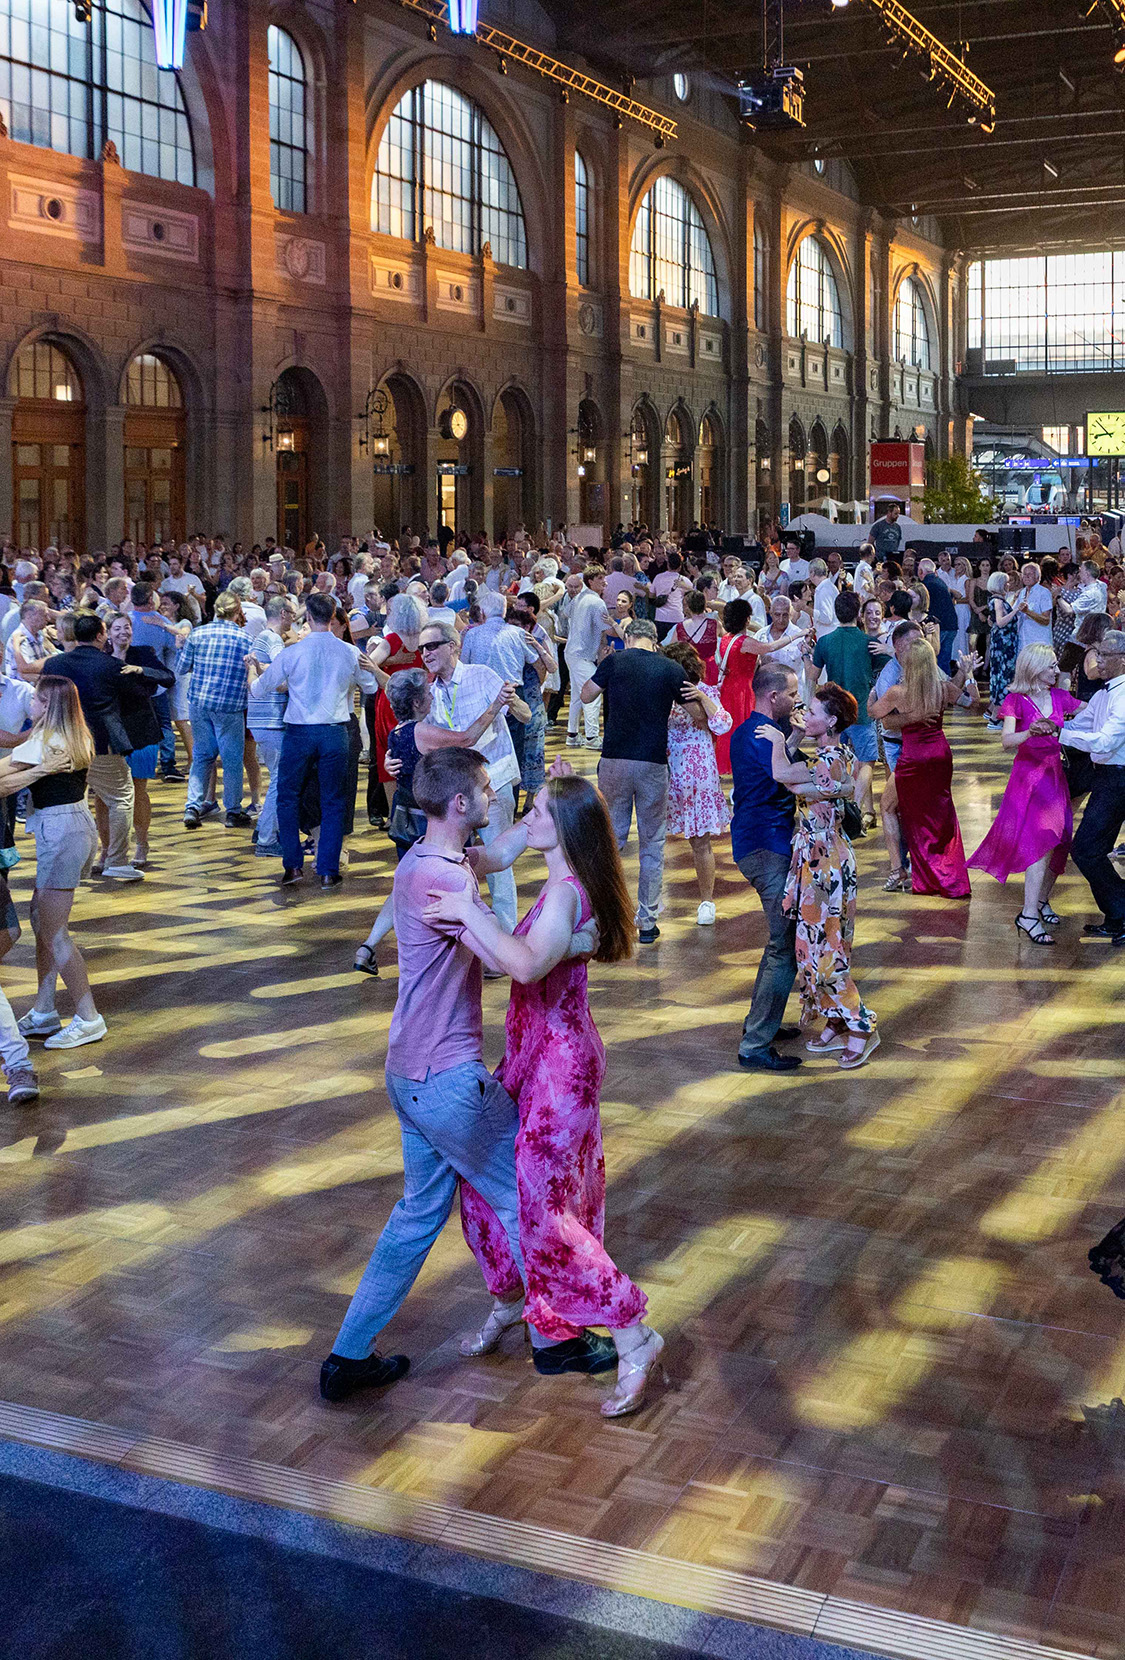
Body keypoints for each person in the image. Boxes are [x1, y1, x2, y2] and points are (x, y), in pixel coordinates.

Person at [424, 768, 665, 1418]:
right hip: (534, 1060)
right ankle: (515, 1297)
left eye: (533, 812)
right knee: (483, 1186)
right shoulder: (564, 872)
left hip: (561, 1071)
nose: (522, 820)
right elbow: (496, 851)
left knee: (547, 1210)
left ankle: (631, 1332)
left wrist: (470, 911)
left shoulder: (563, 894)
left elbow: (524, 964)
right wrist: (476, 831)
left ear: (558, 830)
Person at [352, 667, 512, 975]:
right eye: (426, 694)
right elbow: (465, 738)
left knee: (407, 886)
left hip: (404, 818)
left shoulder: (398, 733)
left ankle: (369, 945)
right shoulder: (419, 731)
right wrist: (494, 706)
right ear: (415, 703)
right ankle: (475, 953)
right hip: (428, 822)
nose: (431, 697)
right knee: (449, 885)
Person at [779, 682, 878, 1069]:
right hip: (817, 858)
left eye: (813, 713)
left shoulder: (830, 758)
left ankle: (861, 1025)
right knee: (816, 943)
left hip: (827, 862)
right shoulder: (828, 755)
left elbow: (781, 774)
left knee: (827, 948)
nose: (806, 716)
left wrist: (781, 738)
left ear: (831, 721)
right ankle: (836, 1021)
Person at [247, 591, 374, 888]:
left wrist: (251, 669)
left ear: (307, 617)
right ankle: (328, 869)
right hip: (335, 730)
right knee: (334, 801)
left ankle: (292, 867)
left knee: (288, 798)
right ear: (333, 618)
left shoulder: (293, 652)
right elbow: (369, 686)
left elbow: (259, 689)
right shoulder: (348, 652)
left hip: (299, 731)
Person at [8, 677, 106, 1050]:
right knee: (41, 920)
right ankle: (45, 1008)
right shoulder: (74, 736)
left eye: (35, 698)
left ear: (47, 705)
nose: (30, 702)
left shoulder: (45, 743)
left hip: (62, 832)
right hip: (72, 827)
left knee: (53, 931)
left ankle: (88, 1017)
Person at [579, 619, 690, 945]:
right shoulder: (670, 668)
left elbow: (586, 696)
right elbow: (695, 710)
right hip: (653, 763)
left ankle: (602, 917)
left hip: (614, 759)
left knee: (611, 841)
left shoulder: (615, 661)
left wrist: (602, 667)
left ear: (628, 638)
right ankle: (647, 922)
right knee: (652, 844)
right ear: (654, 641)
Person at [968, 643, 1083, 943]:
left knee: (1061, 841)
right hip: (1028, 780)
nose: (1056, 671)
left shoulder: (1060, 697)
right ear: (1034, 667)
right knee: (1041, 840)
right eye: (1051, 666)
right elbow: (1007, 742)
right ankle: (1029, 914)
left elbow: (1092, 711)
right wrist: (1030, 732)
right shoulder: (1016, 700)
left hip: (1054, 777)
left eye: (1056, 665)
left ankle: (1041, 901)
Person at [420, 621, 528, 933]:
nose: (425, 653)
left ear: (452, 646)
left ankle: (505, 935)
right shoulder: (431, 692)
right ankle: (465, 933)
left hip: (492, 781)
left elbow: (525, 714)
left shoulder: (481, 675)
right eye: (422, 648)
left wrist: (513, 700)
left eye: (432, 646)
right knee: (453, 860)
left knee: (496, 860)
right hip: (456, 792)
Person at [731, 662, 810, 1073]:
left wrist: (794, 736)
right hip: (766, 848)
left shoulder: (754, 732)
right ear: (774, 696)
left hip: (757, 843)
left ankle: (762, 1021)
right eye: (793, 692)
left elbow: (776, 766)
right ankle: (755, 1045)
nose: (798, 699)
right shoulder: (766, 735)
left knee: (779, 943)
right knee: (784, 947)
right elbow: (790, 775)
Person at [40, 609, 156, 882]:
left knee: (73, 803)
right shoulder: (109, 665)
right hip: (100, 744)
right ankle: (116, 860)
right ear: (102, 634)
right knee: (122, 798)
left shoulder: (54, 665)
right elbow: (139, 696)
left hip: (60, 743)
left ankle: (77, 863)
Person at [868, 638, 977, 898]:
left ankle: (907, 873)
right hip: (940, 755)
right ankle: (949, 875)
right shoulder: (942, 688)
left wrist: (873, 696)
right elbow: (970, 702)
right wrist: (968, 674)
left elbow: (874, 713)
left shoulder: (897, 692)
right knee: (942, 815)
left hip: (913, 757)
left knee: (901, 812)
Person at [1059, 630, 1125, 945]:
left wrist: (1058, 735)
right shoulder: (1103, 694)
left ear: (1122, 660)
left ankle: (1120, 911)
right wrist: (1050, 724)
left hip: (1118, 779)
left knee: (1086, 849)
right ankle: (1116, 916)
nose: (1097, 660)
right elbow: (1080, 727)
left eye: (1104, 655)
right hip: (1107, 777)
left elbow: (1106, 741)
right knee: (1091, 849)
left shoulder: (1123, 696)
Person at [661, 639, 731, 925]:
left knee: (700, 842)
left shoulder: (706, 691)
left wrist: (702, 698)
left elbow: (723, 723)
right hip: (669, 770)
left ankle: (707, 902)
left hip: (699, 773)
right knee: (658, 839)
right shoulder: (663, 693)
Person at [104, 611, 175, 870]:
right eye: (117, 629)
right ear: (107, 633)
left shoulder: (143, 652)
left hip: (141, 729)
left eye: (126, 628)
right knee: (105, 794)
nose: (123, 633)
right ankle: (108, 848)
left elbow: (168, 677)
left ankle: (142, 842)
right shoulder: (101, 658)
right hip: (110, 732)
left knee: (138, 789)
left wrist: (141, 670)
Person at [177, 591, 253, 830]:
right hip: (230, 705)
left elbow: (181, 668)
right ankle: (233, 811)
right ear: (237, 611)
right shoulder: (245, 639)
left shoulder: (198, 634)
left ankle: (193, 806)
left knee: (202, 755)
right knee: (231, 760)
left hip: (199, 702)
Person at [811, 591, 877, 823]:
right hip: (862, 712)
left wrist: (804, 657)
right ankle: (856, 811)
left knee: (838, 760)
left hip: (834, 715)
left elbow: (813, 675)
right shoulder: (869, 642)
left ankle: (847, 809)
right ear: (858, 613)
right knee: (867, 761)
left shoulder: (824, 641)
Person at [366, 592, 427, 831]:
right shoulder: (424, 638)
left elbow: (368, 663)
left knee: (387, 756)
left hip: (390, 701)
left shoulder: (391, 639)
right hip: (417, 703)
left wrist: (391, 661)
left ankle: (395, 816)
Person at [714, 598, 788, 775]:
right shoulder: (745, 642)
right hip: (743, 690)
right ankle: (742, 764)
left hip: (727, 688)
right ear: (746, 619)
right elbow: (769, 647)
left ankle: (726, 766)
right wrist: (795, 636)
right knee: (743, 728)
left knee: (727, 730)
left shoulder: (725, 639)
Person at [247, 595, 295, 859]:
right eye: (293, 614)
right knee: (279, 779)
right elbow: (283, 672)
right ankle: (266, 838)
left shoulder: (262, 637)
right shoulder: (273, 639)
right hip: (271, 719)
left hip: (262, 719)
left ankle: (263, 830)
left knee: (277, 776)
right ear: (284, 613)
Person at [565, 566, 613, 747]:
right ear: (590, 581)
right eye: (600, 578)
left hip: (572, 652)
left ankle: (572, 735)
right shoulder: (596, 602)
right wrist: (622, 629)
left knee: (578, 695)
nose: (604, 582)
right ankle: (592, 737)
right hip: (581, 654)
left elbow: (565, 613)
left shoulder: (579, 598)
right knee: (593, 693)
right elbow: (607, 629)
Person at [918, 558, 960, 674]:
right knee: (944, 661)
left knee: (933, 660)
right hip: (951, 625)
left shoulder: (925, 585)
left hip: (938, 627)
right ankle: (946, 687)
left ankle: (936, 688)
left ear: (921, 572)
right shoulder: (940, 582)